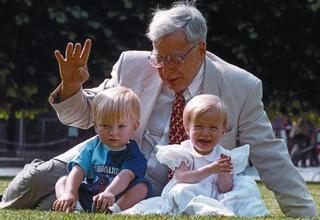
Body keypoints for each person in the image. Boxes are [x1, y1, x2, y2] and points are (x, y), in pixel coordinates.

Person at [0, 1, 317, 217]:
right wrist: (72, 88)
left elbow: (271, 156)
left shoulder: (241, 87)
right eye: (159, 57)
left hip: (177, 184)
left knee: (49, 203)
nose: (165, 68)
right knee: (35, 179)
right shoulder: (133, 64)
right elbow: (87, 115)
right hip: (111, 162)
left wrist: (306, 213)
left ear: (200, 49)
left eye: (175, 57)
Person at [122, 94, 269, 216]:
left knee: (243, 190)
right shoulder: (184, 153)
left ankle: (216, 209)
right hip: (189, 190)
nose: (205, 133)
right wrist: (211, 169)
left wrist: (223, 172)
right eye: (198, 126)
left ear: (222, 131)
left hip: (214, 194)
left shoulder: (223, 156)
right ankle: (205, 209)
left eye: (213, 128)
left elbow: (225, 188)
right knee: (181, 192)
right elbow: (183, 178)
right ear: (187, 128)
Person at [52, 86, 151, 213]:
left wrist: (110, 192)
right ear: (96, 126)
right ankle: (74, 207)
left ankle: (114, 211)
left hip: (116, 197)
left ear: (135, 126)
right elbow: (78, 169)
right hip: (89, 195)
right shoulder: (92, 147)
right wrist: (70, 192)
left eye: (121, 126)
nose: (113, 132)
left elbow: (125, 175)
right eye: (105, 125)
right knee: (63, 181)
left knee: (142, 187)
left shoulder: (132, 153)